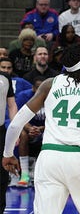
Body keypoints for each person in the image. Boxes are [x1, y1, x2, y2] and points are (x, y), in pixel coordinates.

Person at [2, 43, 80, 213]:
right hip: (79, 159)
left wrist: (8, 154)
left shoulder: (49, 84)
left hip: (48, 159)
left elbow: (16, 123)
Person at [0, 63, 18, 211]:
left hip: (0, 131)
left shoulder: (5, 78)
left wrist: (15, 129)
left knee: (2, 174)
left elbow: (11, 105)